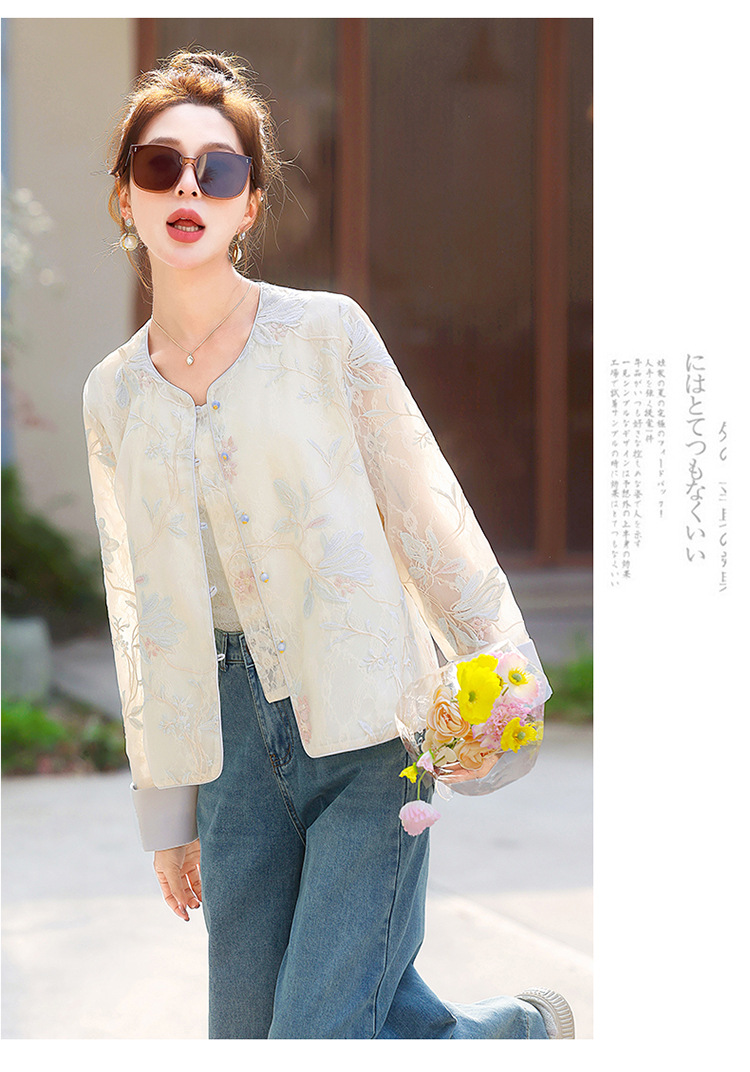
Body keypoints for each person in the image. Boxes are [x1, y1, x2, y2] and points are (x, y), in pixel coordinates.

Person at [83, 48, 575, 1040]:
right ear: (126, 196)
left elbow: (423, 507)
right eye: (160, 165)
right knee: (251, 1037)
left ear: (251, 204)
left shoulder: (326, 335)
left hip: (371, 724)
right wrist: (167, 812)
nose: (188, 188)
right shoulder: (114, 394)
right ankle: (510, 1036)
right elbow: (144, 614)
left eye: (219, 169)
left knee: (313, 1036)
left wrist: (498, 667)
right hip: (228, 754)